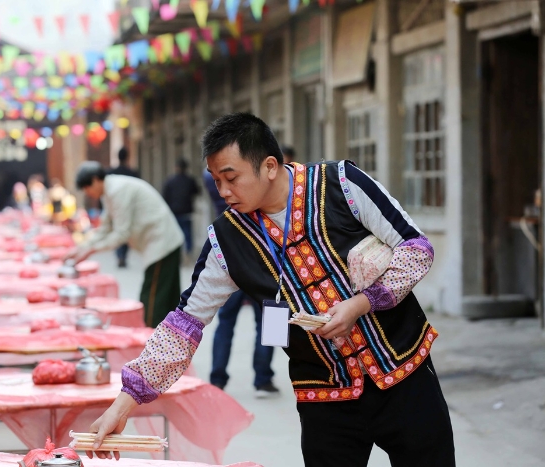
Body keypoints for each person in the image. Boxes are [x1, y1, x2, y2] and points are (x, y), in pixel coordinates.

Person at [86, 113, 454, 467]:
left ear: (270, 166)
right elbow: (183, 326)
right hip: (324, 396)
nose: (224, 191)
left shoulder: (341, 184)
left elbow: (415, 249)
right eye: (215, 180)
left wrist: (363, 302)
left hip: (406, 373)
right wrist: (124, 403)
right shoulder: (226, 241)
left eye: (232, 177)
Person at [66, 162, 184, 328]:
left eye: (87, 188)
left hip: (162, 242)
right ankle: (168, 344)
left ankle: (149, 341)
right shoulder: (109, 191)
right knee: (165, 297)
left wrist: (90, 250)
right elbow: (105, 228)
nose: (88, 193)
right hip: (160, 242)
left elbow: (121, 233)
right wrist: (81, 248)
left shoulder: (116, 190)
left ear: (95, 180)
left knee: (152, 299)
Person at [202, 167, 278, 398]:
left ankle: (217, 379)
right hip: (261, 262)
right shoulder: (256, 186)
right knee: (268, 322)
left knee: (229, 322)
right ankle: (263, 378)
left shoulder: (215, 179)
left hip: (232, 257)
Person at [109, 148, 140, 268]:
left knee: (118, 231)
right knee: (125, 232)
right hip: (129, 208)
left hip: (115, 208)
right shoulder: (132, 173)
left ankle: (119, 256)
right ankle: (123, 256)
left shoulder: (112, 173)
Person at [163, 159, 200, 256]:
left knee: (175, 234)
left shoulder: (170, 181)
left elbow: (165, 196)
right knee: (187, 233)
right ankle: (188, 252)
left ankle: (177, 254)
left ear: (176, 168)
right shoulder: (190, 180)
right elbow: (197, 191)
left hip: (174, 212)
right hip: (187, 212)